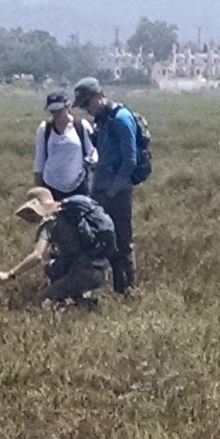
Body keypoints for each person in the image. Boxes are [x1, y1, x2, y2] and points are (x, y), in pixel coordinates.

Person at [70, 79, 151, 292]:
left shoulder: (121, 119)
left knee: (122, 242)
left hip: (118, 192)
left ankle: (128, 291)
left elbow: (130, 161)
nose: (88, 109)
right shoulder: (103, 120)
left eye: (89, 104)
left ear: (100, 96)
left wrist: (113, 190)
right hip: (101, 189)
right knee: (105, 240)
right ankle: (115, 287)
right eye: (84, 106)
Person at [1, 184, 120, 308]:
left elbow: (37, 255)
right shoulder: (73, 213)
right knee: (54, 267)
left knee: (42, 301)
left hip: (84, 271)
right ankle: (83, 304)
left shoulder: (49, 223)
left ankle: (78, 309)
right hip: (102, 267)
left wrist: (10, 274)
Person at [33, 88, 94, 199]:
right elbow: (39, 160)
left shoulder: (81, 126)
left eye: (59, 110)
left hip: (78, 185)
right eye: (53, 111)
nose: (56, 114)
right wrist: (39, 190)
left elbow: (92, 154)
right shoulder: (45, 128)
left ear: (67, 106)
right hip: (51, 186)